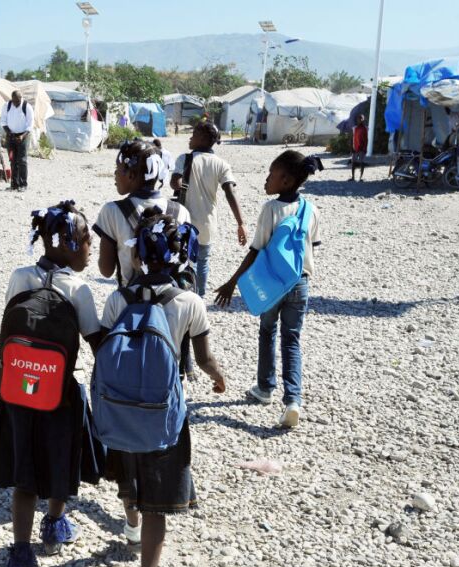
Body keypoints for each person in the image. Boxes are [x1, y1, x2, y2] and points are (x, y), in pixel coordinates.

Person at [100, 212, 226, 567]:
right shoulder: (189, 303)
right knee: (157, 500)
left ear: (137, 255)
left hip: (119, 408)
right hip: (164, 415)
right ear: (183, 257)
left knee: (127, 473)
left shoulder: (117, 298)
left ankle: (131, 527)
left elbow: (103, 351)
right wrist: (218, 377)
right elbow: (204, 358)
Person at [0, 201, 104, 567]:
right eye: (87, 241)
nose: (90, 248)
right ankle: (54, 524)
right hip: (59, 397)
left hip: (18, 393)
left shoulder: (20, 277)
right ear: (70, 245)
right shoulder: (78, 289)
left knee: (25, 473)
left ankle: (20, 557)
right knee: (58, 463)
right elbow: (95, 340)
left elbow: (8, 325)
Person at [213, 150, 322, 428]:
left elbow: (255, 251)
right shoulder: (311, 210)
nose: (266, 180)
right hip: (300, 284)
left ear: (285, 181)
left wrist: (232, 281)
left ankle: (265, 388)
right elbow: (312, 248)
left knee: (267, 331)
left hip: (273, 285)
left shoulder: (271, 209)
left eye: (271, 175)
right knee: (292, 340)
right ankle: (293, 400)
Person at [94, 140, 189, 288]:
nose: (115, 174)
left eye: (117, 169)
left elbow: (106, 270)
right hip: (172, 301)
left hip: (132, 302)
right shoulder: (180, 211)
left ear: (131, 175)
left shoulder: (112, 211)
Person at [170, 121, 248, 298]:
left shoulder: (185, 159)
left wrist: (183, 184)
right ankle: (200, 298)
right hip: (206, 224)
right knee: (203, 262)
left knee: (184, 262)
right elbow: (230, 192)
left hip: (184, 222)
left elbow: (174, 182)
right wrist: (241, 223)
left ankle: (184, 296)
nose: (190, 137)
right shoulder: (221, 164)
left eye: (194, 133)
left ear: (203, 138)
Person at [1, 90, 34, 191]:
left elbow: (30, 125)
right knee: (12, 160)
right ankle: (14, 184)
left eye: (17, 101)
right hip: (10, 136)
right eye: (14, 101)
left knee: (22, 161)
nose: (15, 103)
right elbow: (3, 122)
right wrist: (9, 133)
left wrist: (22, 136)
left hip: (23, 136)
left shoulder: (27, 107)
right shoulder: (7, 106)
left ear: (21, 98)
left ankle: (23, 184)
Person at [350, 114, 368, 181]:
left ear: (363, 119)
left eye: (361, 118)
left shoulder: (365, 128)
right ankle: (353, 177)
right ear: (357, 120)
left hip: (362, 148)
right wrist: (351, 147)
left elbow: (366, 139)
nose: (360, 120)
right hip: (355, 148)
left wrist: (365, 148)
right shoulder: (354, 128)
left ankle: (361, 177)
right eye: (359, 118)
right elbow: (352, 138)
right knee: (353, 163)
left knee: (362, 163)